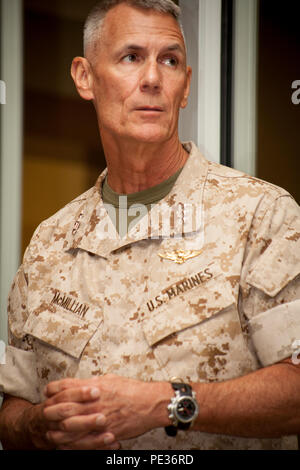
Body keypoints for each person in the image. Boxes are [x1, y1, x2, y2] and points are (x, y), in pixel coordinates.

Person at [0, 0, 300, 451]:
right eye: (131, 57)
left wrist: (167, 403)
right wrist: (39, 426)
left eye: (170, 60)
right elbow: (13, 407)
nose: (154, 78)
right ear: (85, 77)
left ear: (186, 86)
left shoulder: (261, 215)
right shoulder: (49, 243)